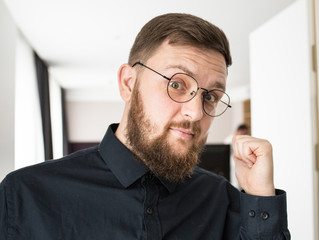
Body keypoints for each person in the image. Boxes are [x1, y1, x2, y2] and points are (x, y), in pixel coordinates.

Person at [0, 13, 290, 239]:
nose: (194, 112)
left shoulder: (222, 199)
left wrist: (260, 197)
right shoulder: (24, 195)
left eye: (211, 96)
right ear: (129, 83)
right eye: (177, 84)